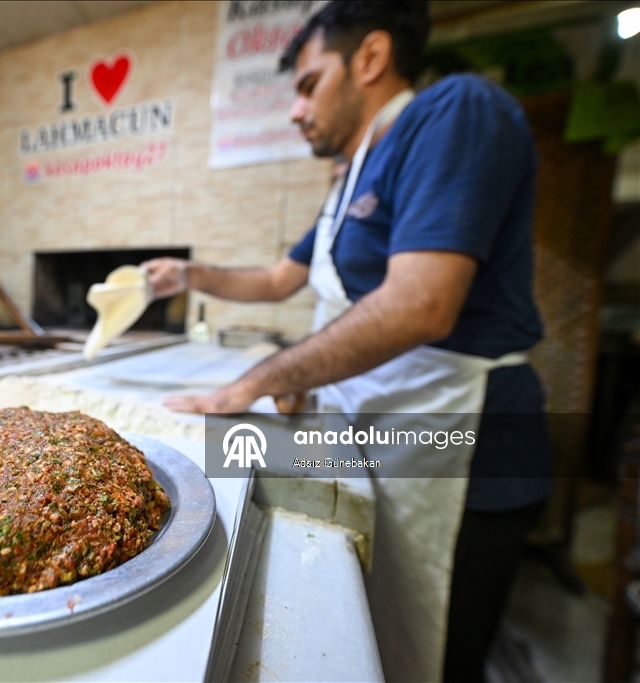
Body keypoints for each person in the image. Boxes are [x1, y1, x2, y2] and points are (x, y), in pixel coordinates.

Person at [142, 2, 552, 682]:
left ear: (369, 58)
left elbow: (421, 303)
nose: (297, 111)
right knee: (384, 625)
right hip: (383, 421)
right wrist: (187, 274)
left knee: (443, 649)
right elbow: (279, 277)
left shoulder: (455, 113)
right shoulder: (350, 179)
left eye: (308, 85)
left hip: (466, 440)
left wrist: (261, 376)